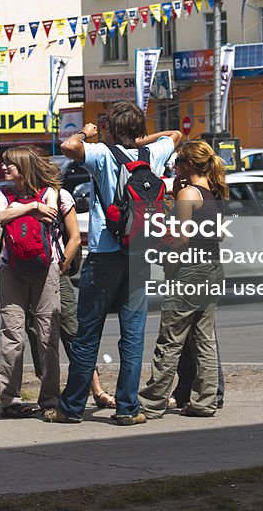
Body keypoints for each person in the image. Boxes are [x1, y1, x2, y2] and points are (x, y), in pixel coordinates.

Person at [45, 100, 182, 426]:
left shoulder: (102, 154)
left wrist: (85, 132)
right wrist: (142, 141)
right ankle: (127, 408)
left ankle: (71, 407)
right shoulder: (155, 154)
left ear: (110, 129)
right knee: (132, 335)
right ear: (140, 129)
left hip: (106, 254)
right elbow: (176, 134)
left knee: (88, 334)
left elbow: (68, 146)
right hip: (139, 256)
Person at [139, 140, 226, 419]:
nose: (173, 167)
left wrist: (159, 253)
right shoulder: (215, 192)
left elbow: (181, 238)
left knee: (171, 339)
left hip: (189, 270)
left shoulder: (188, 193)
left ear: (188, 165)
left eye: (177, 162)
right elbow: (219, 234)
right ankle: (205, 401)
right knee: (204, 339)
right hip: (212, 268)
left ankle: (152, 402)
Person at [24, 175, 116, 409]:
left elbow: (74, 238)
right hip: (25, 272)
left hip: (55, 271)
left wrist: (61, 268)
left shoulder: (59, 195)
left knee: (71, 329)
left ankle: (96, 389)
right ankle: (49, 393)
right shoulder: (19, 198)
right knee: (36, 332)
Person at [0, 146, 63, 418]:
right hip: (12, 270)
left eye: (10, 165)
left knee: (48, 336)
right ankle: (10, 400)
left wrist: (18, 210)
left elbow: (51, 214)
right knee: (11, 336)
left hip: (45, 268)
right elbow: (1, 216)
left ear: (23, 167)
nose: (5, 168)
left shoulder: (50, 191)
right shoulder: (2, 192)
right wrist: (32, 207)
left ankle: (50, 399)